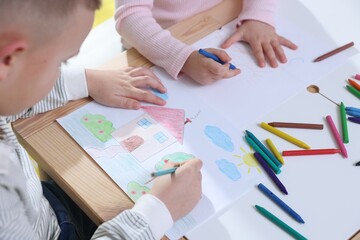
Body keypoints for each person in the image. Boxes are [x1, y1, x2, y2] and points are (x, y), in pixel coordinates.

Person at [0, 0, 203, 239]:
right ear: (9, 58)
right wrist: (159, 212)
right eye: (60, 62)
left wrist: (87, 81)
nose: (60, 71)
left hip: (41, 209)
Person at [115, 0, 298, 85]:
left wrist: (259, 15)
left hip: (220, 21)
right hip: (158, 44)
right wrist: (183, 58)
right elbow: (130, 17)